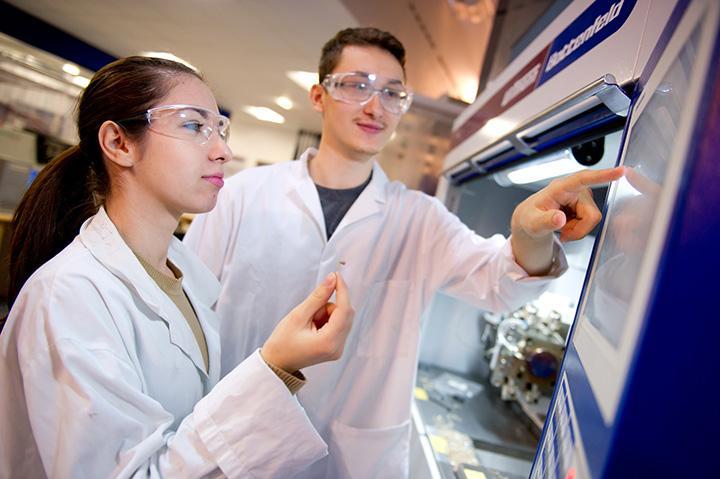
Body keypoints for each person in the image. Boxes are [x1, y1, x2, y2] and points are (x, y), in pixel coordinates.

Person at [184, 28, 624, 478]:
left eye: (393, 93)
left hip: (347, 458)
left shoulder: (420, 218)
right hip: (236, 445)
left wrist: (530, 233)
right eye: (357, 86)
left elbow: (499, 283)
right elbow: (186, 320)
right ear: (319, 96)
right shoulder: (239, 196)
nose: (377, 107)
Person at [0, 56, 354, 478]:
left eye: (219, 129)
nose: (223, 151)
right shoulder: (70, 295)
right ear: (119, 143)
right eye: (193, 126)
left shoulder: (182, 276)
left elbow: (183, 430)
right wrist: (276, 367)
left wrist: (282, 367)